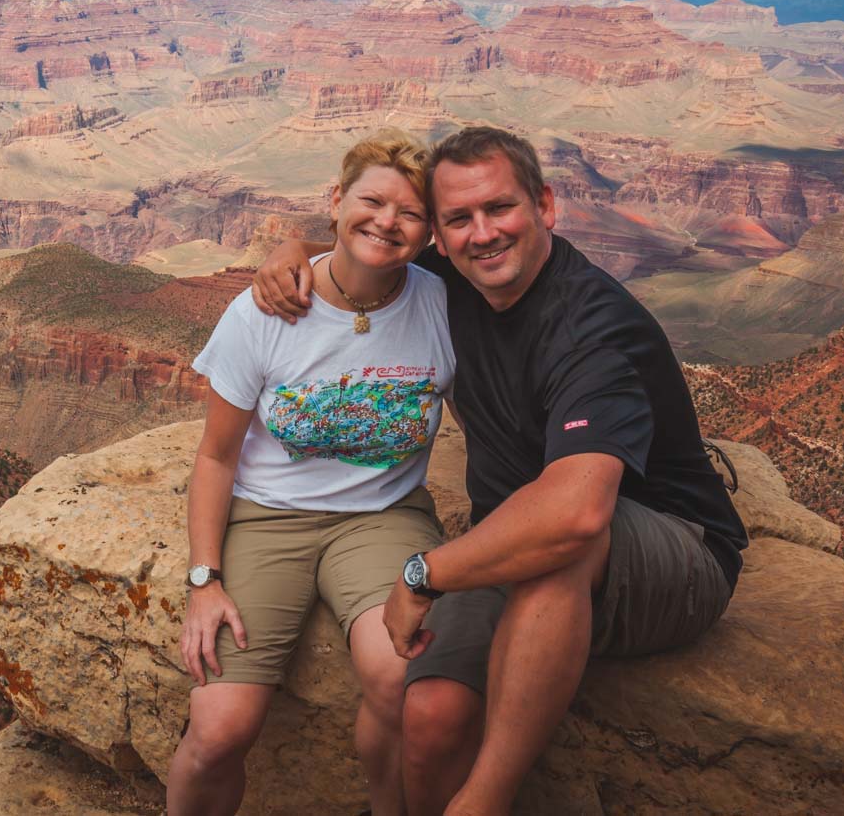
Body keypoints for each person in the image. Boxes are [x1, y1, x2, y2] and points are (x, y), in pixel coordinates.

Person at [253, 126, 748, 816]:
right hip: (511, 538)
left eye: (499, 209)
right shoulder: (450, 282)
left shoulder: (591, 327)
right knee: (428, 714)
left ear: (544, 204)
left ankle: (484, 800)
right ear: (440, 236)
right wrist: (287, 251)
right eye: (458, 218)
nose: (482, 233)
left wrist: (424, 572)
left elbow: (573, 514)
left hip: (676, 546)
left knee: (562, 542)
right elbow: (367, 241)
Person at [168, 129, 458, 816]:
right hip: (267, 516)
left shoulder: (446, 302)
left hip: (384, 515)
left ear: (429, 232)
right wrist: (204, 579)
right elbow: (215, 457)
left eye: (409, 212)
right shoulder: (266, 309)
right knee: (218, 729)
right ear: (335, 200)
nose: (387, 220)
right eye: (371, 200)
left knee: (402, 680)